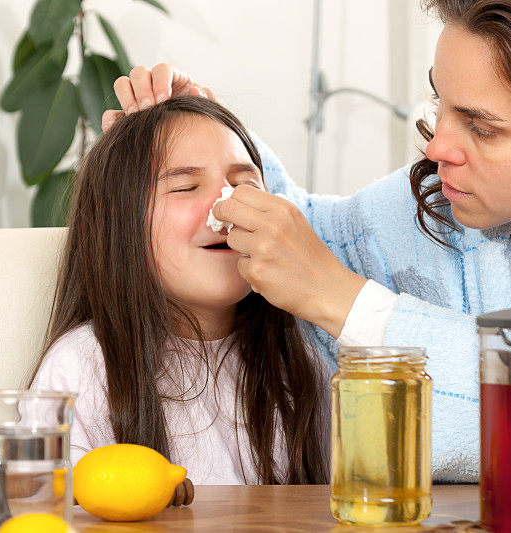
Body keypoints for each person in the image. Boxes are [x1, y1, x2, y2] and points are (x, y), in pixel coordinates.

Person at [104, 0, 511, 482]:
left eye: (481, 129)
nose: (437, 148)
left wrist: (350, 304)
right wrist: (209, 139)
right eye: (441, 105)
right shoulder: (447, 203)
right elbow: (310, 239)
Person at [30, 96, 330, 486]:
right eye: (186, 187)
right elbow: (38, 505)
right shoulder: (82, 365)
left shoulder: (298, 364)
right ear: (119, 225)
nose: (227, 207)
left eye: (244, 185)